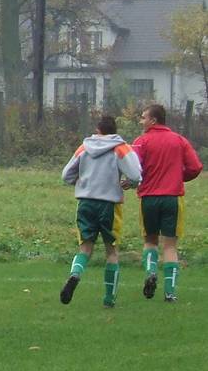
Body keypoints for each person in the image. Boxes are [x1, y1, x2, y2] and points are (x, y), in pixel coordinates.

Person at [59, 114, 143, 307]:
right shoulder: (120, 147)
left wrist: (80, 181)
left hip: (86, 202)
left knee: (85, 247)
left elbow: (66, 175)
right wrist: (130, 183)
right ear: (114, 131)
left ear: (98, 130)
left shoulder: (84, 147)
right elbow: (135, 174)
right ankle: (109, 299)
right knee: (111, 251)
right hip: (109, 205)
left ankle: (75, 274)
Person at [131, 102, 202, 302]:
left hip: (148, 199)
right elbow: (195, 167)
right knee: (170, 246)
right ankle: (170, 293)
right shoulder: (179, 140)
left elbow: (133, 167)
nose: (141, 121)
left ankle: (151, 272)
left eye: (143, 117)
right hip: (172, 198)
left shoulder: (141, 142)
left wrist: (133, 181)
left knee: (150, 241)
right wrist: (179, 177)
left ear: (153, 120)